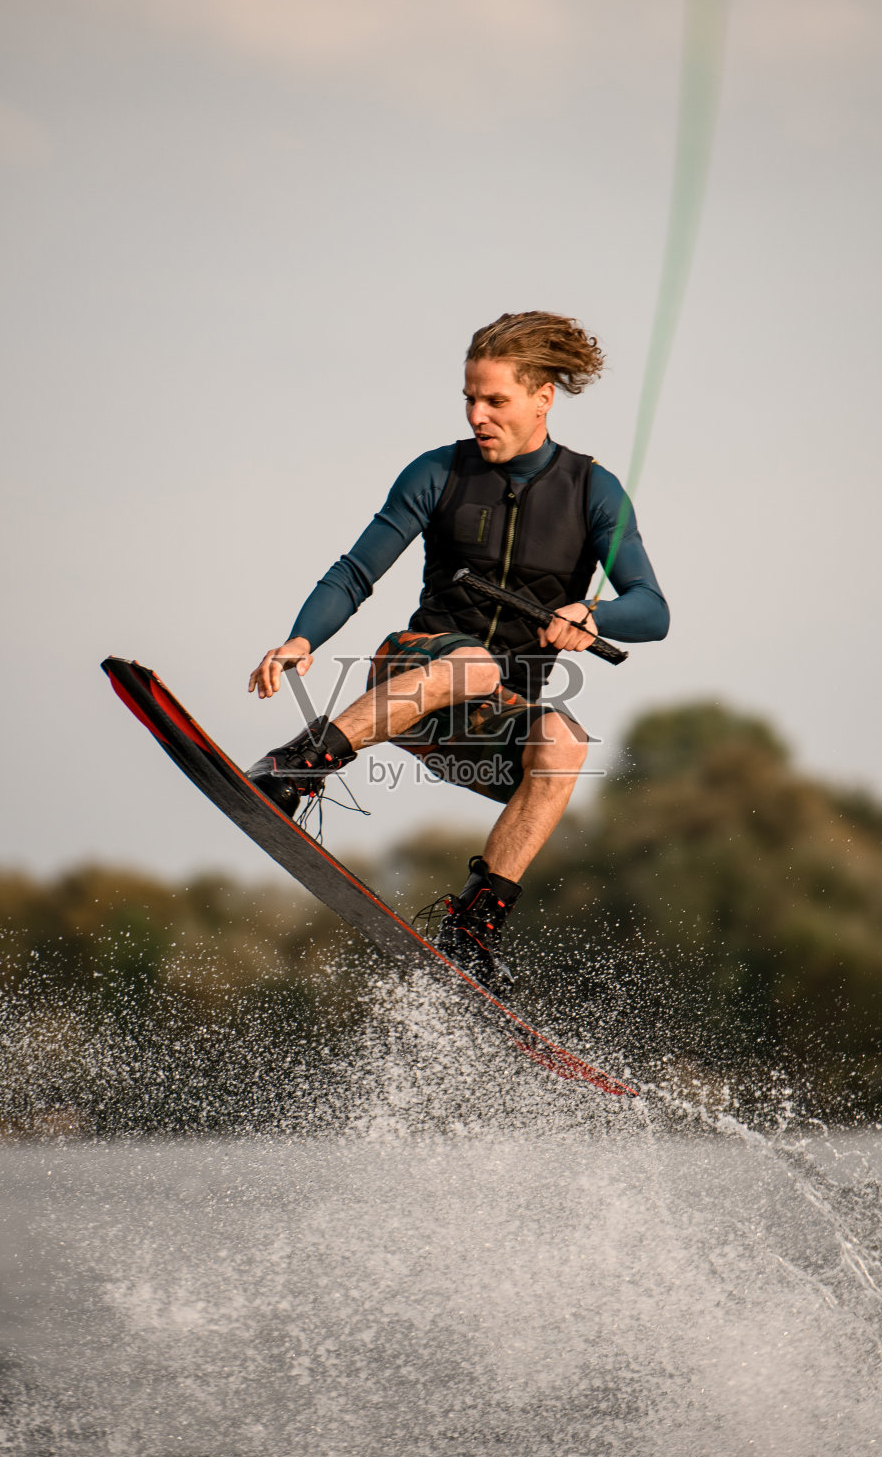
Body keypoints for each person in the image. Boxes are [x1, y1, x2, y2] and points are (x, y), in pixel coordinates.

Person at [247, 311, 669, 983]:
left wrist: (593, 613)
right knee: (471, 665)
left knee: (564, 744)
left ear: (541, 398)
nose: (478, 414)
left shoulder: (593, 492)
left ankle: (472, 924)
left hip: (483, 720)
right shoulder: (438, 472)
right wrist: (302, 639)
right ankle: (295, 768)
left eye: (494, 400)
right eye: (470, 399)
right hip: (414, 671)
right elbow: (356, 572)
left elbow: (653, 611)